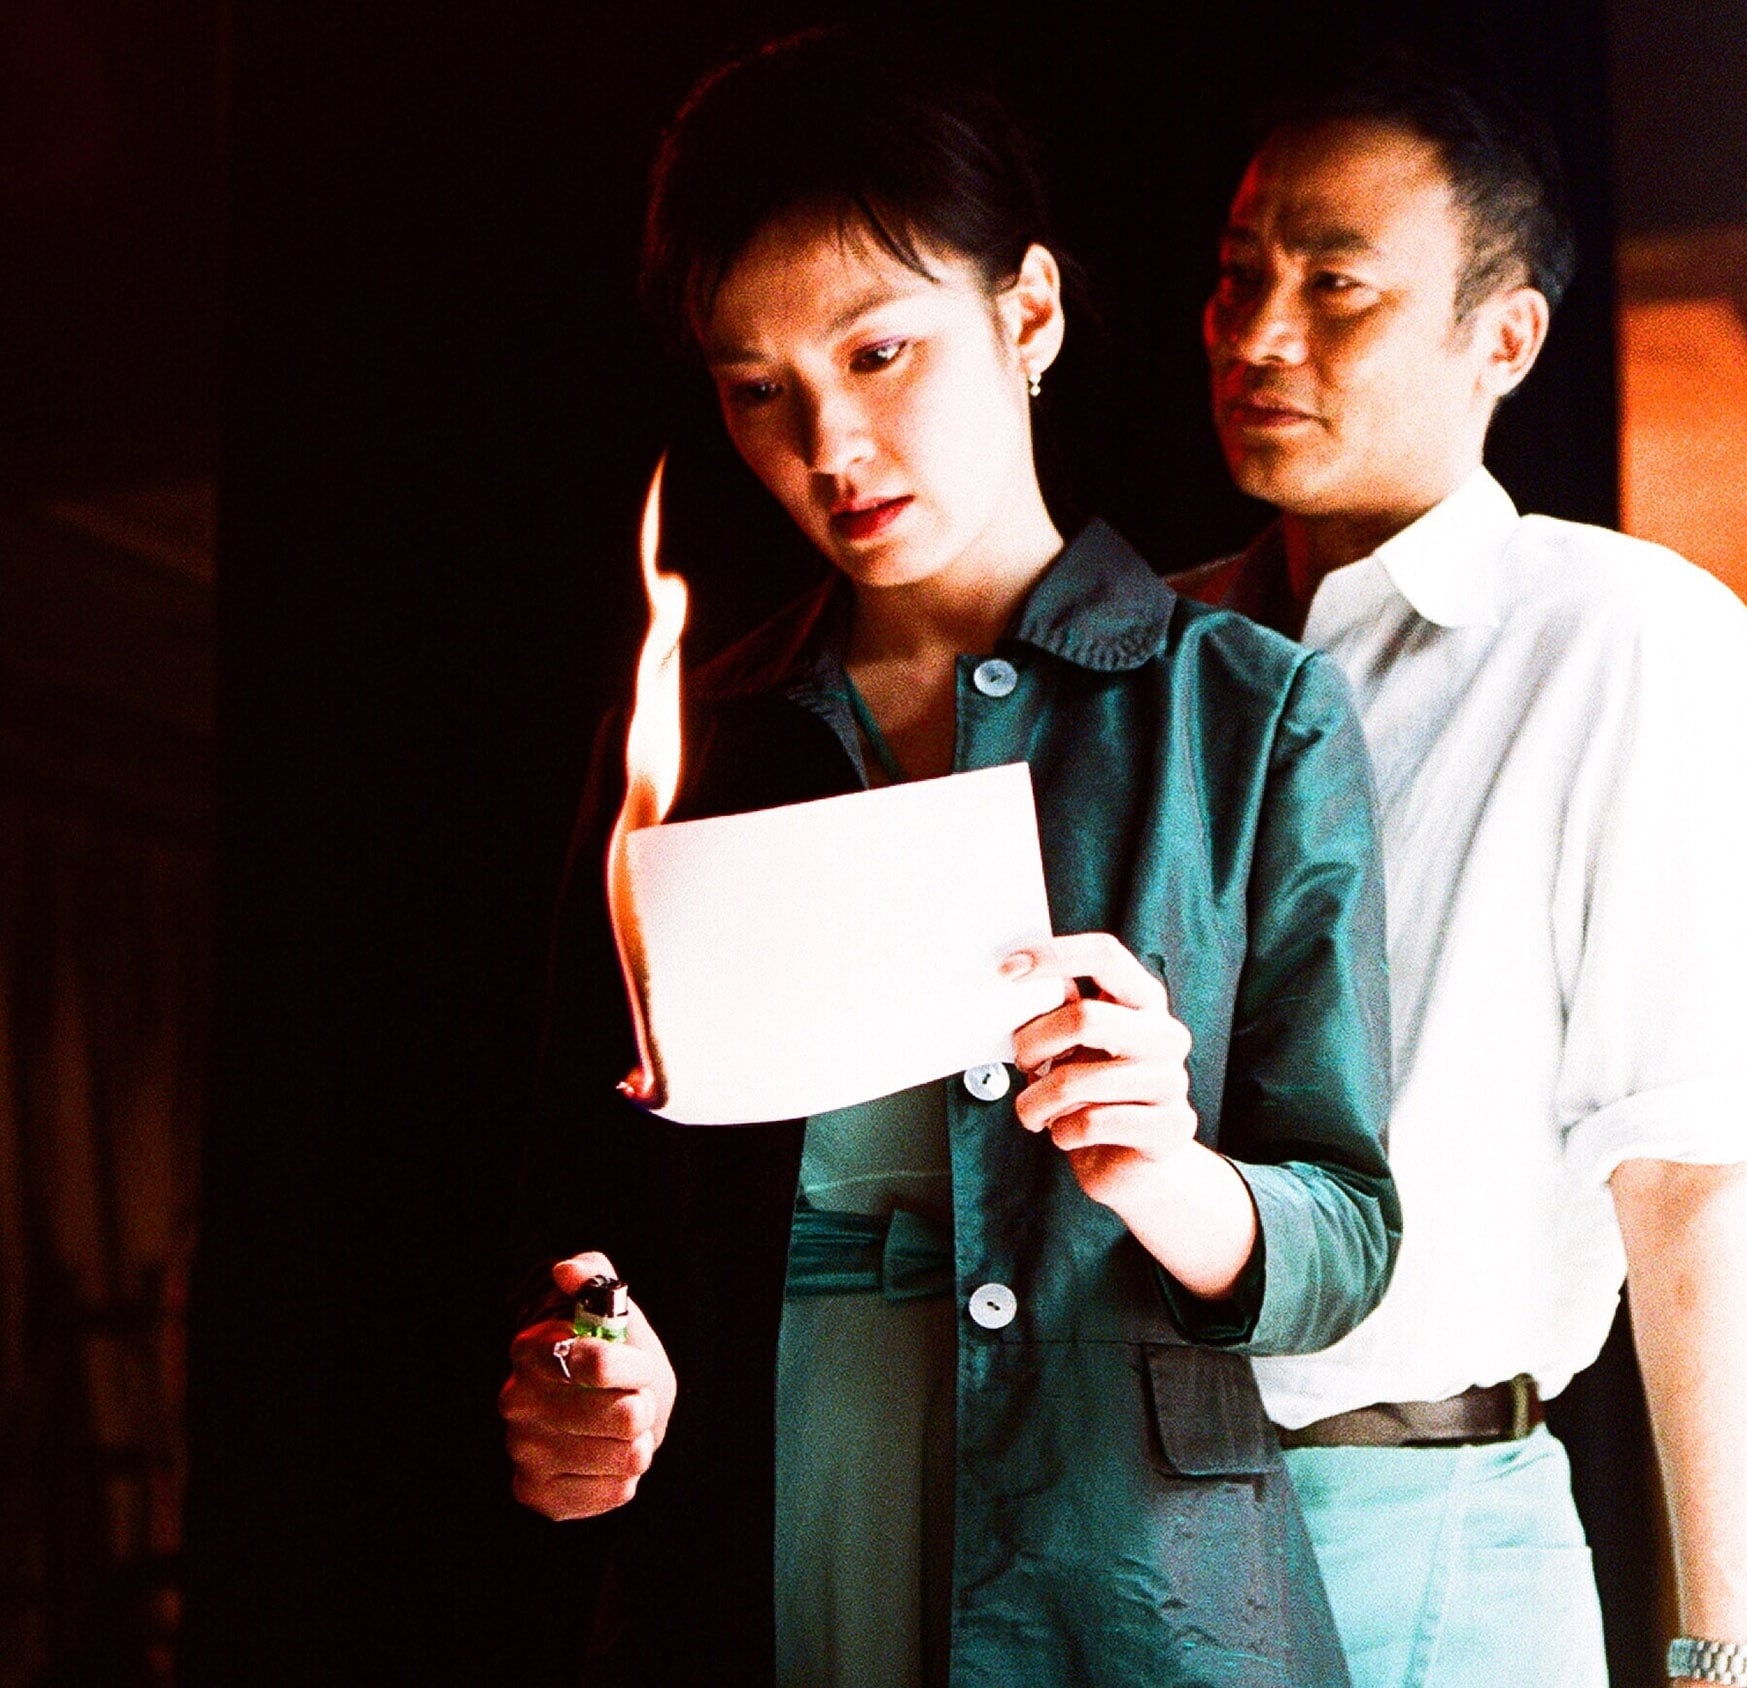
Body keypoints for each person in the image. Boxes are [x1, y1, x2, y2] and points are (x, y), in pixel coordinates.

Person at [496, 29, 1397, 1688]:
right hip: (754, 1535)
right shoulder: (697, 745)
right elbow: (574, 1203)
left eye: (880, 350)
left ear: (1027, 314)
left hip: (1130, 1582)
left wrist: (1169, 1174)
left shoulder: (1248, 715)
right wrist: (579, 1369)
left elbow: (1346, 1234)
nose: (827, 444)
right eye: (757, 388)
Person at [1177, 61, 1747, 1688]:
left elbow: (1685, 1176)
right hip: (1102, 1512)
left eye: (1335, 287)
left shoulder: (1620, 641)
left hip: (1427, 1528)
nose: (1260, 335)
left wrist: (1736, 1662)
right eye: (1241, 276)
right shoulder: (1145, 659)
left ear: (1505, 338)